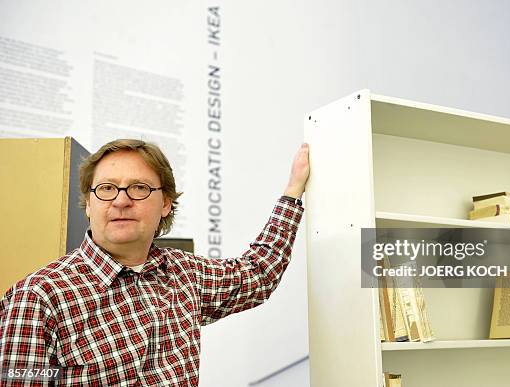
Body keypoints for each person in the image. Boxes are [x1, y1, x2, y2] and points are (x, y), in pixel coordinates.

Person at [0, 139, 310, 386]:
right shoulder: (38, 298)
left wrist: (294, 189)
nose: (121, 200)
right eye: (107, 188)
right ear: (89, 203)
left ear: (165, 203)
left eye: (138, 188)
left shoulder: (184, 275)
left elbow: (258, 273)